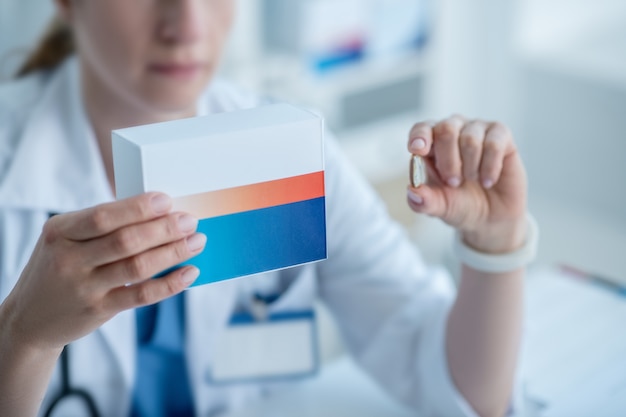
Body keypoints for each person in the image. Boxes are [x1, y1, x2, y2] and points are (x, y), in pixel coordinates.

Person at [0, 1, 536, 416]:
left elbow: (460, 389)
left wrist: (496, 246)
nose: (186, 25)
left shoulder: (291, 148)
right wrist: (24, 336)